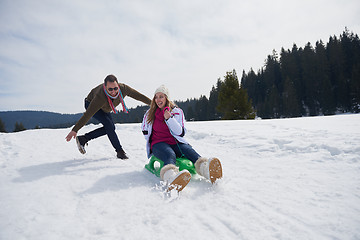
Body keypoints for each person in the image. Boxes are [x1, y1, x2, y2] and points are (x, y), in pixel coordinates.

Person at [141, 85, 222, 191]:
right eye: (156, 97)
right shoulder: (149, 113)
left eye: (161, 96)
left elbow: (180, 132)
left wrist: (169, 118)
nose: (158, 100)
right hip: (158, 143)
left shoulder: (177, 112)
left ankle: (206, 170)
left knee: (190, 151)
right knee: (170, 154)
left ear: (166, 98)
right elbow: (144, 130)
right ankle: (171, 178)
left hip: (176, 142)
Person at [66, 74, 151, 159]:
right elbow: (87, 115)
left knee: (111, 128)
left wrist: (153, 104)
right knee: (109, 126)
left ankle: (83, 139)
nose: (113, 91)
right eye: (110, 89)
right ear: (105, 87)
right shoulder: (100, 97)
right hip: (91, 104)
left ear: (118, 85)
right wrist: (75, 129)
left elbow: (139, 96)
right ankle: (119, 151)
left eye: (115, 88)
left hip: (105, 108)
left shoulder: (124, 88)